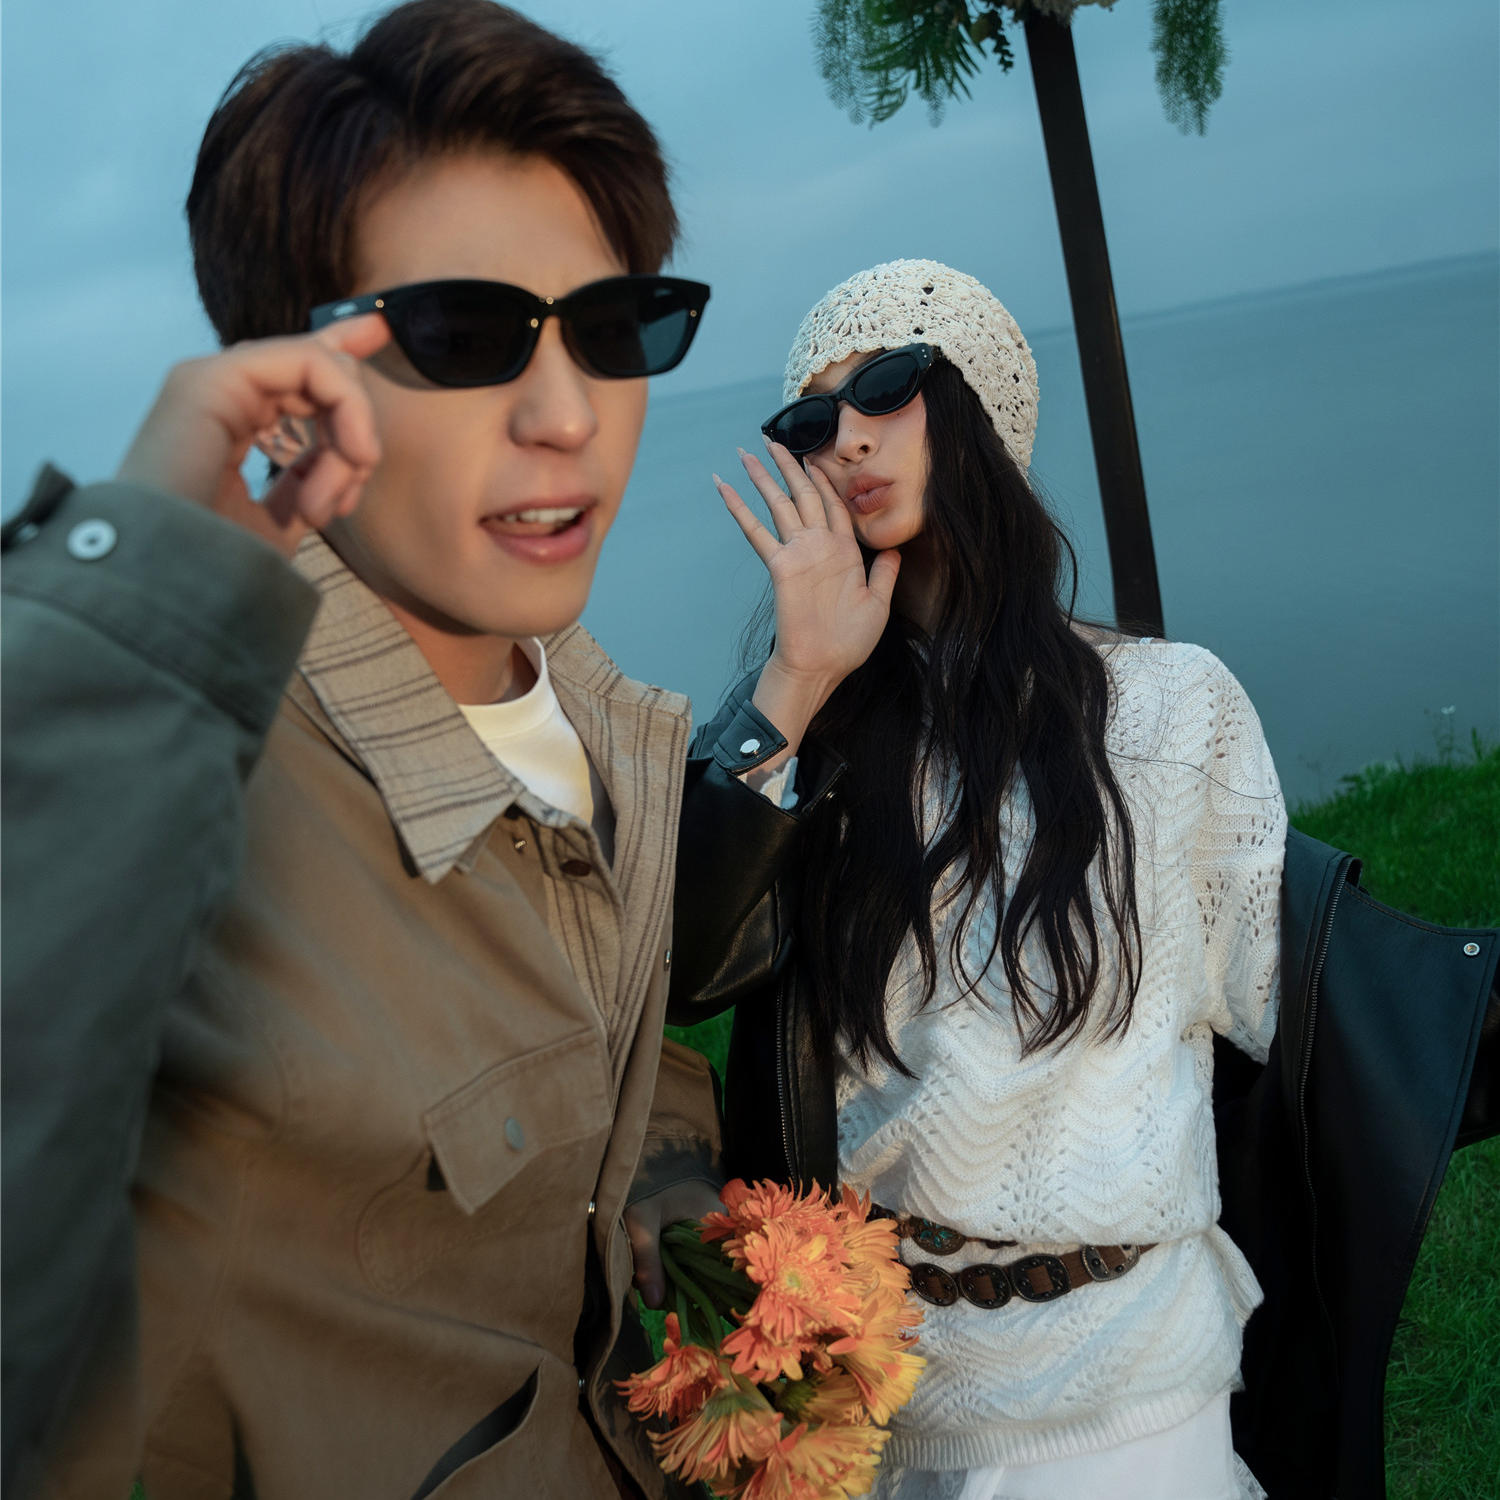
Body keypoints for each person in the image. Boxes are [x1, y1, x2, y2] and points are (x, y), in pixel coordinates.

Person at [0, 4, 862, 1496]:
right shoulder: (189, 804)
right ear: (290, 391)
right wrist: (133, 605)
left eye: (612, 328)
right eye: (466, 337)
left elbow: (604, 1035)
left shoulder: (592, 722)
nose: (567, 416)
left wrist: (669, 1195)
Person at [687, 259, 1289, 1499]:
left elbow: (1291, 996)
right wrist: (797, 678)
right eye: (811, 421)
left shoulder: (1171, 708)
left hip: (1129, 1381)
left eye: (886, 386)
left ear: (978, 405)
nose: (847, 438)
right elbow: (688, 966)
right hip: (880, 1389)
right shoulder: (812, 736)